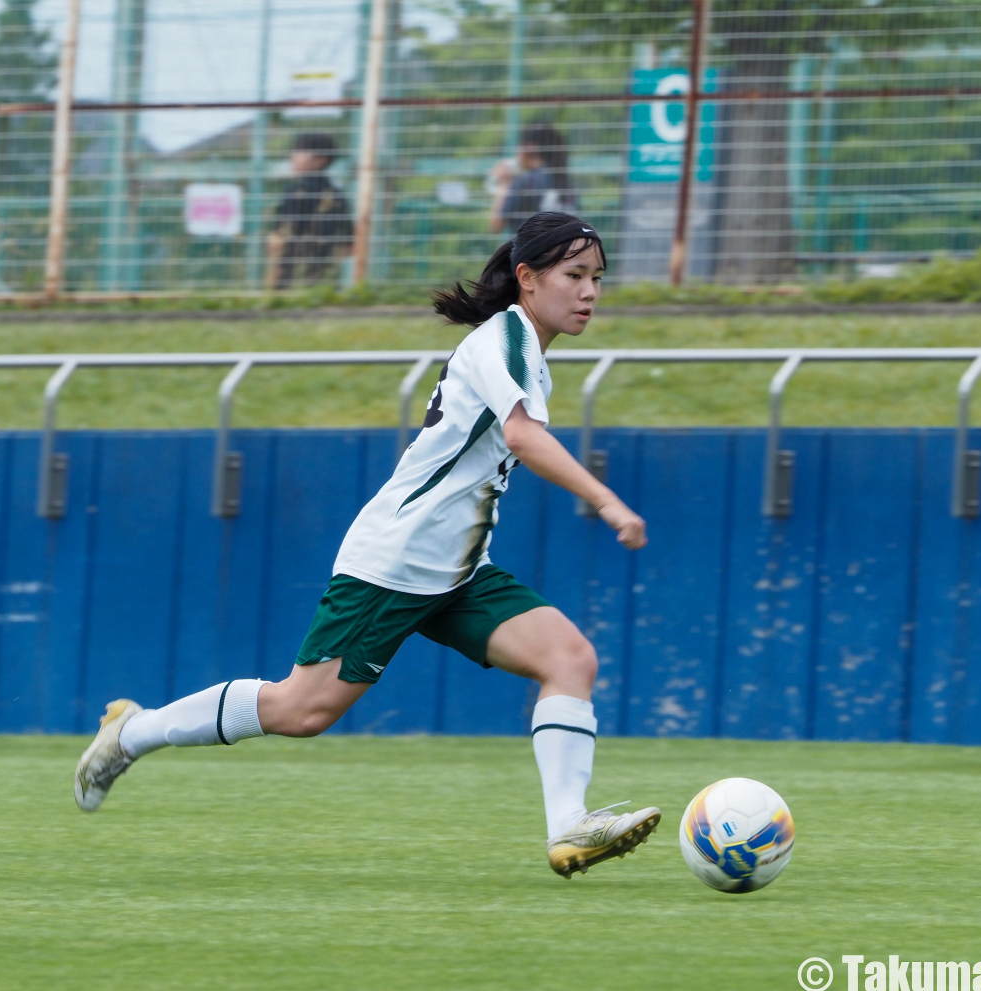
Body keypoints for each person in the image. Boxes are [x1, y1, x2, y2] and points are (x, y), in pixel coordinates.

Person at [75, 211, 660, 879]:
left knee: (569, 658)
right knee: (300, 710)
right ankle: (132, 732)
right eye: (574, 275)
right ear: (527, 279)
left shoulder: (524, 346)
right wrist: (607, 500)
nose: (589, 292)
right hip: (398, 561)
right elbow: (524, 437)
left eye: (598, 279)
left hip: (458, 569)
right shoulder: (506, 341)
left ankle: (569, 830)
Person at [266, 132, 352, 289]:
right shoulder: (337, 193)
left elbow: (282, 234)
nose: (293, 156)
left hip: (291, 271)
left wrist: (275, 268)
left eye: (300, 152)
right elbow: (347, 239)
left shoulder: (295, 192)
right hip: (326, 272)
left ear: (320, 160)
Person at [489, 124, 579, 235]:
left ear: (529, 147)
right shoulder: (566, 182)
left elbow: (496, 225)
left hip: (533, 249)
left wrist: (504, 184)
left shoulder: (526, 182)